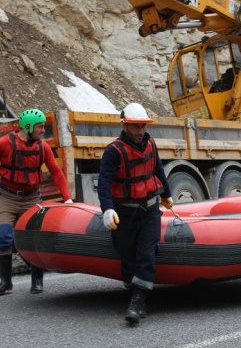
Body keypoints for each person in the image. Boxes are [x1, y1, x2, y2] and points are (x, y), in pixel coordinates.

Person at [0, 108, 73, 296]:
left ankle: (37, 281)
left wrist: (67, 197)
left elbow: (56, 171)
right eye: (39, 127)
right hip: (8, 198)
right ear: (27, 127)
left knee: (34, 239)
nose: (42, 131)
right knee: (3, 237)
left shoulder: (42, 147)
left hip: (31, 197)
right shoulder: (3, 144)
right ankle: (6, 282)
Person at [97, 102, 174, 325]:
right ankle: (133, 287)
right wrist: (107, 209)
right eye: (136, 127)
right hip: (125, 212)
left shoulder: (151, 143)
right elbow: (104, 183)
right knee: (126, 252)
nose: (140, 131)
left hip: (149, 210)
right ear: (125, 125)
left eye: (142, 126)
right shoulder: (113, 151)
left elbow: (158, 169)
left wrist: (166, 195)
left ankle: (137, 302)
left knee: (146, 253)